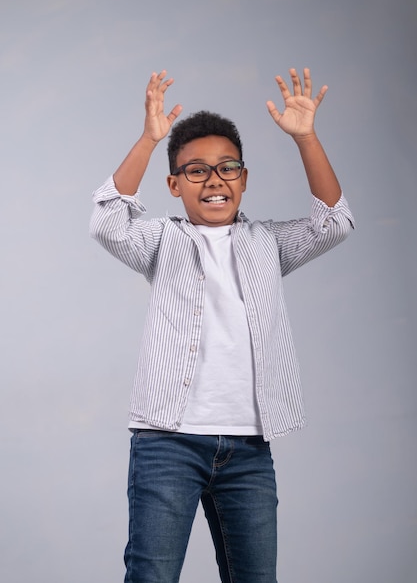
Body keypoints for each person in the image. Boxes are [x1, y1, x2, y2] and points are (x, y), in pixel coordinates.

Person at [90, 68, 354, 583]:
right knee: (152, 574)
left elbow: (334, 223)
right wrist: (150, 139)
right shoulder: (161, 243)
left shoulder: (268, 243)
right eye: (196, 171)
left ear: (244, 178)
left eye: (228, 167)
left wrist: (306, 138)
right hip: (168, 440)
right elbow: (107, 221)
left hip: (249, 446)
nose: (214, 179)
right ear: (173, 184)